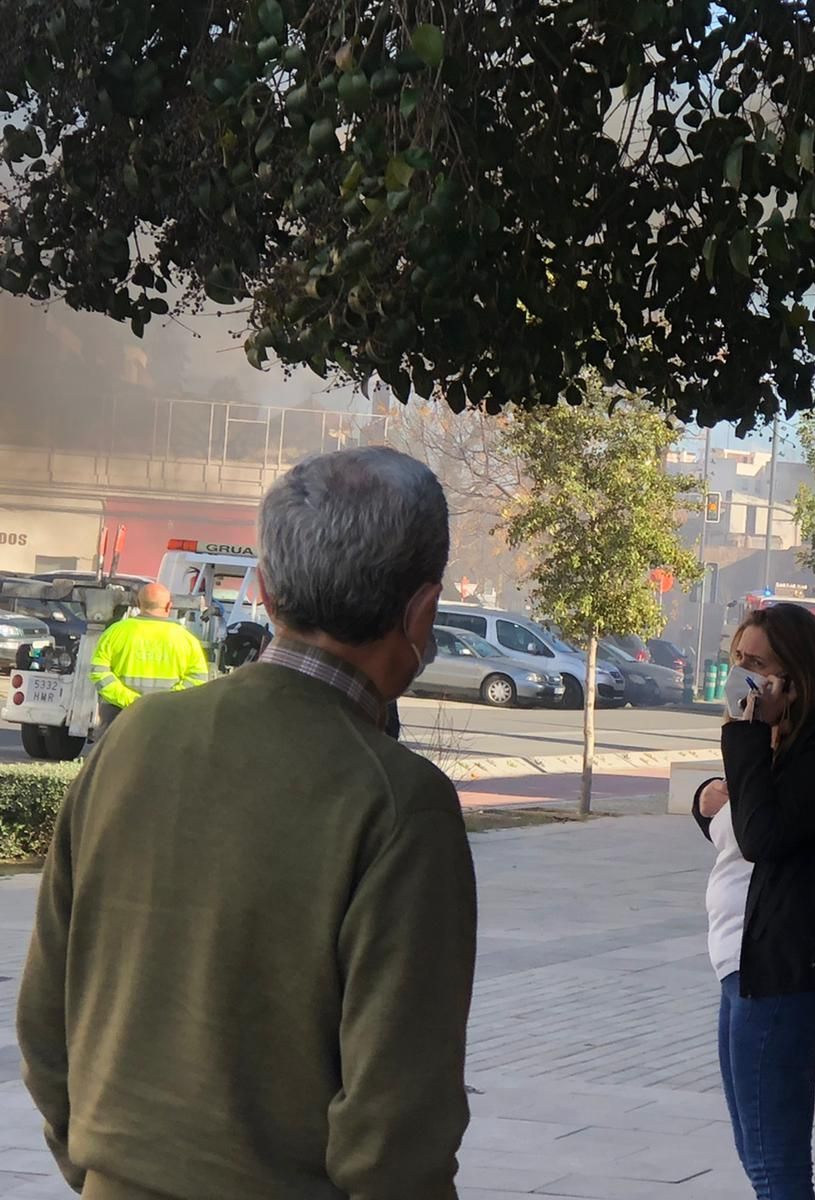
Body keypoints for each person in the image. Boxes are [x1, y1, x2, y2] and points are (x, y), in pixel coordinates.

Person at [18, 446, 478, 1199]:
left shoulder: (132, 740)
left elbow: (45, 1021)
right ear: (421, 611)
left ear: (264, 591)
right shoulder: (400, 803)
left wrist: (103, 1167)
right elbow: (396, 1130)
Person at [692, 602, 815, 1200]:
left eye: (755, 664)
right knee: (756, 1154)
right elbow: (750, 832)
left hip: (790, 971)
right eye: (736, 658)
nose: (739, 673)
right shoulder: (784, 746)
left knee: (778, 1170)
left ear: (794, 678)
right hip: (748, 964)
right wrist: (708, 801)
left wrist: (743, 735)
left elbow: (766, 837)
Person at [89, 582, 210, 730]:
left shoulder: (115, 633)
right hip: (168, 718)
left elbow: (98, 673)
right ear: (168, 606)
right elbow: (198, 679)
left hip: (119, 718)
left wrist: (131, 700)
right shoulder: (186, 639)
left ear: (138, 603)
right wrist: (166, 702)